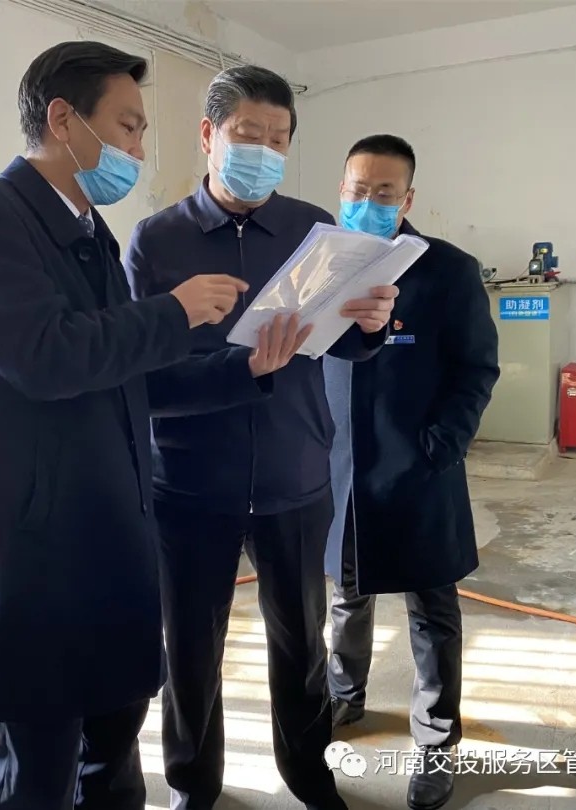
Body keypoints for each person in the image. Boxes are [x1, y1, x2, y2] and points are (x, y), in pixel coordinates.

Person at [0, 41, 252, 810]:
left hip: (106, 546)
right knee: (39, 772)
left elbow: (125, 379)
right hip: (34, 563)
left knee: (112, 754)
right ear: (64, 120)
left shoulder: (91, 233)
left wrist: (245, 369)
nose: (138, 150)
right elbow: (44, 356)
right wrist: (172, 311)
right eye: (128, 127)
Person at [123, 66, 398, 810]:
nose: (265, 152)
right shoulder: (158, 241)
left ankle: (309, 773)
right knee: (190, 649)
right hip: (190, 485)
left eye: (279, 140)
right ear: (208, 135)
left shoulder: (315, 230)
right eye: (249, 135)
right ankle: (193, 784)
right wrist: (242, 370)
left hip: (294, 474)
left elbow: (342, 339)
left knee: (302, 643)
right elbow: (144, 381)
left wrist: (372, 326)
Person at [323, 134, 500, 810]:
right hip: (340, 469)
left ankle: (436, 741)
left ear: (408, 198)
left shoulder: (446, 271)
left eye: (384, 192)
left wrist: (440, 446)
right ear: (341, 190)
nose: (368, 202)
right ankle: (344, 696)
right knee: (346, 595)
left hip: (419, 468)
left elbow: (476, 369)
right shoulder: (323, 266)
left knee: (432, 612)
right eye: (357, 190)